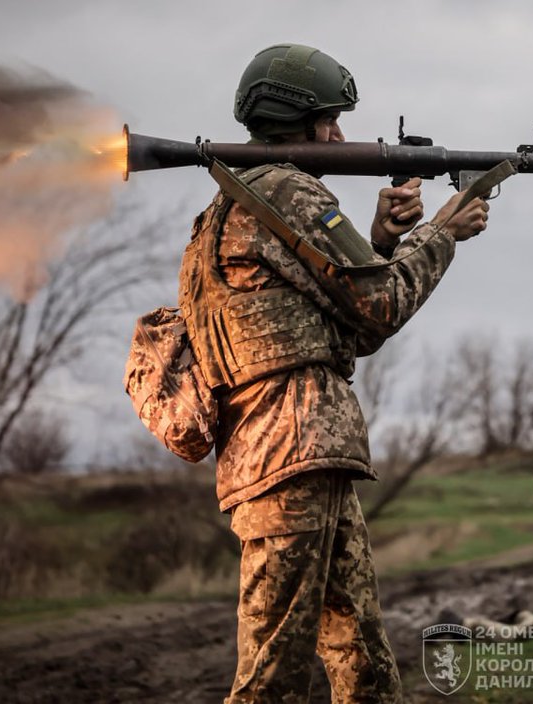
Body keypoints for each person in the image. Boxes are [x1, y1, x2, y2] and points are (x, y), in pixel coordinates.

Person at [179, 43, 491, 703]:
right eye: (331, 121)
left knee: (365, 665)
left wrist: (381, 242)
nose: (343, 137)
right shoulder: (289, 192)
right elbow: (381, 307)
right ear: (299, 120)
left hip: (291, 458)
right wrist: (442, 232)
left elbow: (343, 325)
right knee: (271, 679)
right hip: (292, 456)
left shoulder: (227, 207)